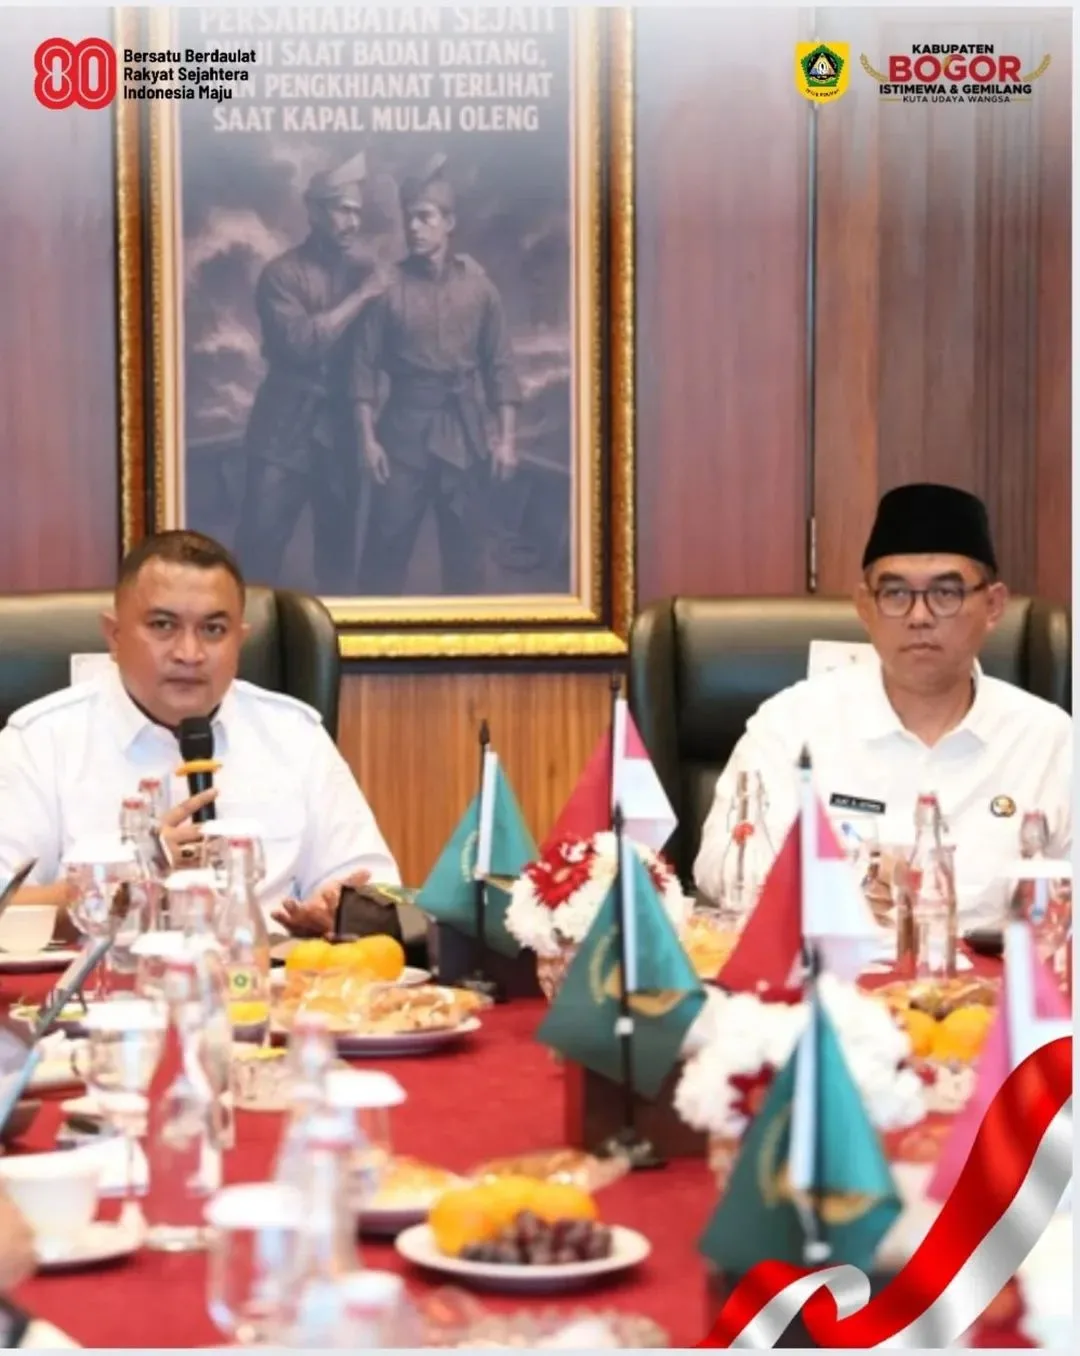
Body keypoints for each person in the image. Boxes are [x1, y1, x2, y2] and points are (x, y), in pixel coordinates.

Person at [694, 483, 1072, 928]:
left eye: (946, 593)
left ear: (992, 606)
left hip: (994, 970)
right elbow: (720, 867)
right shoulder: (791, 723)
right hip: (835, 965)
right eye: (895, 594)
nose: (919, 616)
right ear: (864, 607)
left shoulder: (1049, 739)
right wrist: (839, 884)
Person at [0, 530, 399, 937]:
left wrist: (342, 916)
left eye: (213, 630)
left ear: (240, 640)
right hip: (105, 974)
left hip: (268, 971)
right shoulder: (40, 742)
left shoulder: (295, 736)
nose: (189, 654)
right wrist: (121, 885)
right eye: (163, 625)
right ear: (114, 636)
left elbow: (377, 892)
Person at [350, 153, 522, 596]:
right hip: (402, 437)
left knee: (466, 557)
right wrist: (368, 441)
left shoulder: (480, 289)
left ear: (449, 223)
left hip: (465, 436)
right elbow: (362, 369)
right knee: (384, 553)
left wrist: (506, 440)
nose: (413, 227)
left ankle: (464, 638)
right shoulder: (387, 289)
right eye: (409, 217)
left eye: (425, 217)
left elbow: (500, 366)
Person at [233, 151, 389, 595]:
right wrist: (362, 296)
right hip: (283, 428)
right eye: (342, 210)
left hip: (340, 431)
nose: (352, 222)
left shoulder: (366, 271)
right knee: (258, 549)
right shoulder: (280, 275)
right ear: (315, 211)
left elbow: (401, 314)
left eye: (357, 212)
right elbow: (302, 343)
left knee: (337, 556)